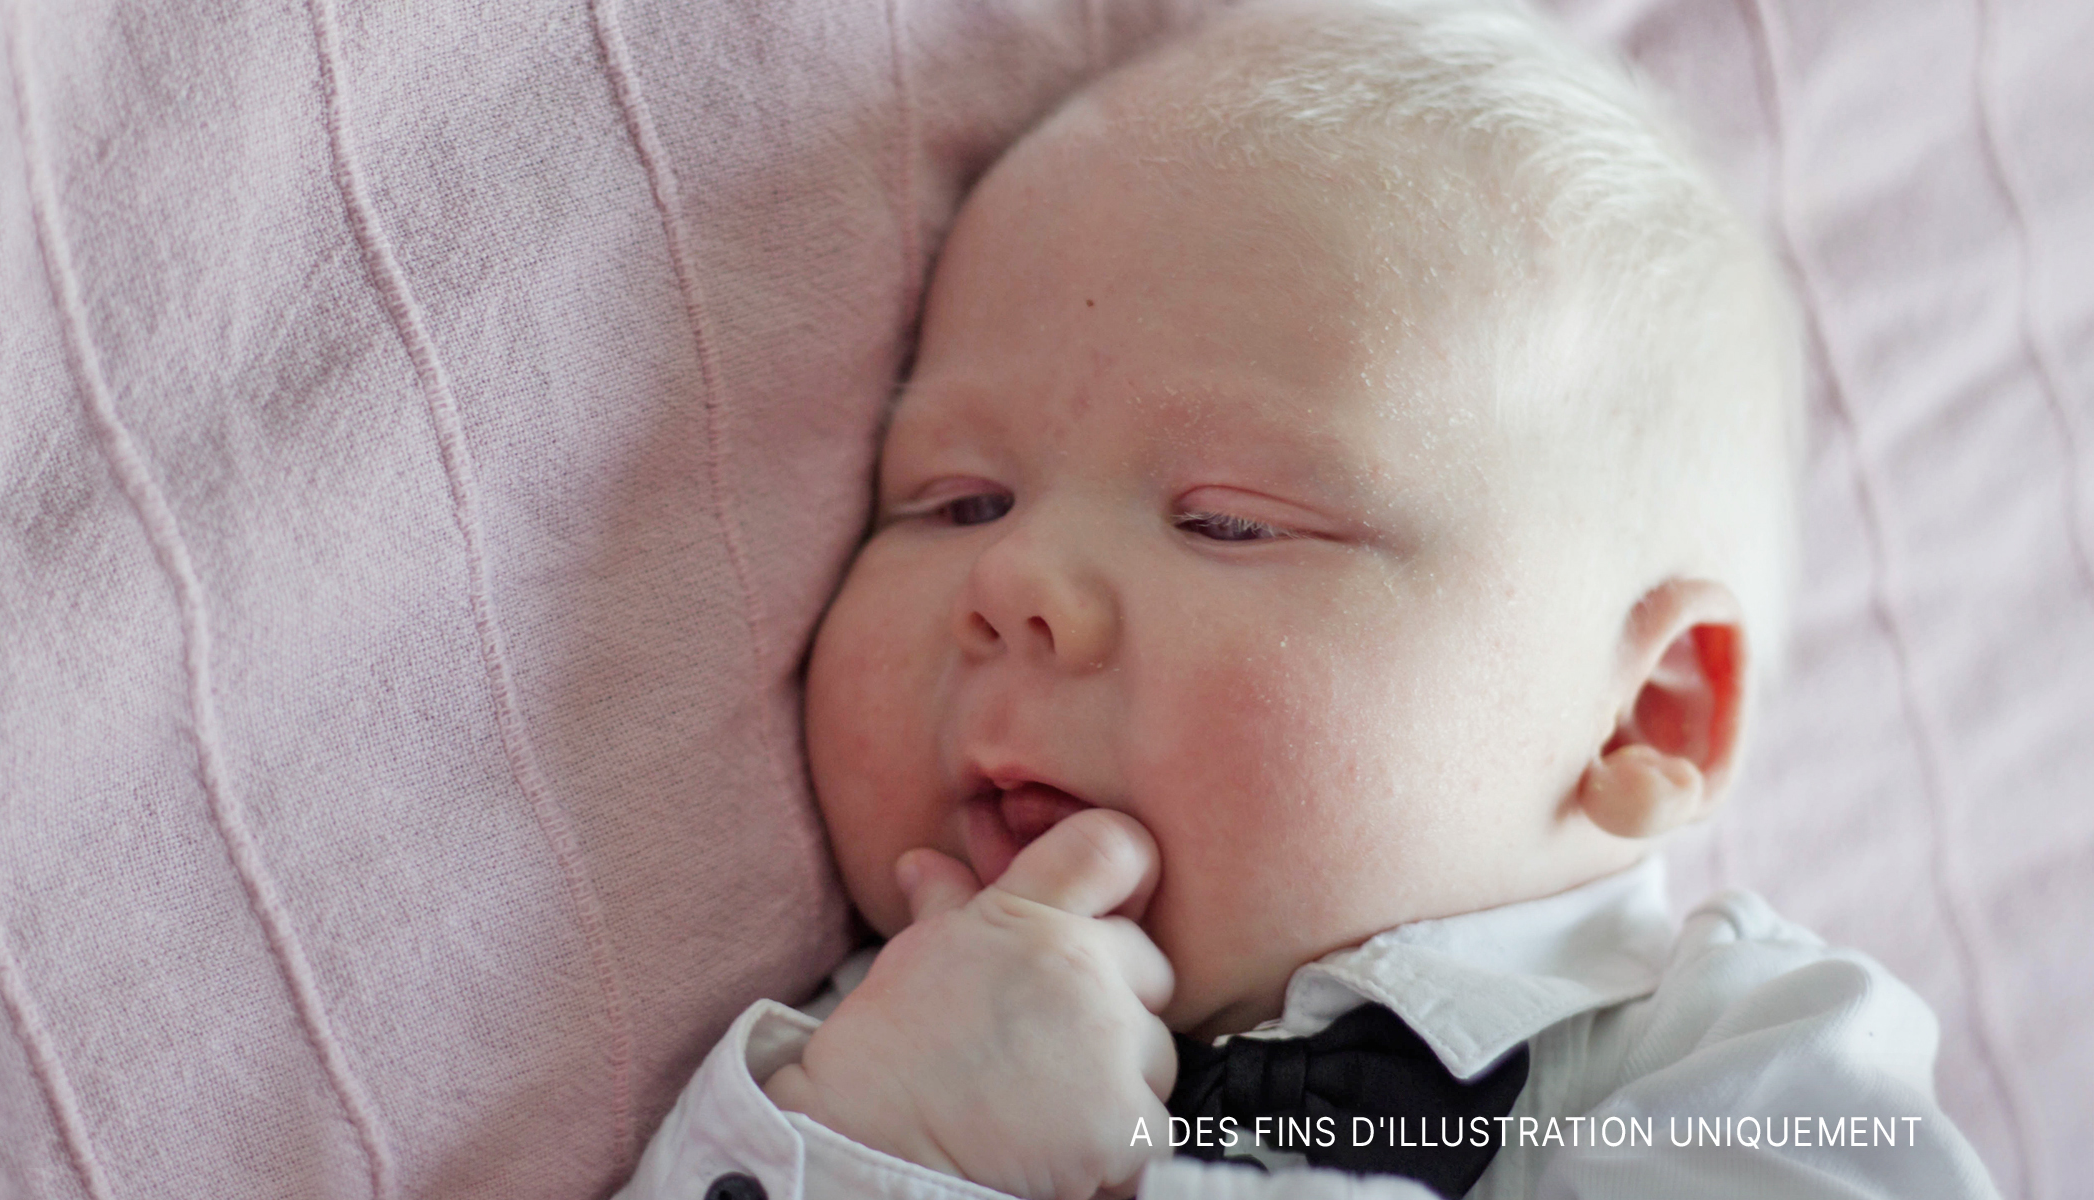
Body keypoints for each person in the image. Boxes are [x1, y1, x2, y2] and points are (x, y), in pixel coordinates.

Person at [620, 0, 1998, 1196]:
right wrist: (873, 1140)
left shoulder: (1753, 1067)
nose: (1012, 581)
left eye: (1229, 522)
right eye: (956, 502)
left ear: (1647, 715)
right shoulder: (865, 1055)